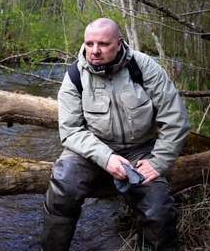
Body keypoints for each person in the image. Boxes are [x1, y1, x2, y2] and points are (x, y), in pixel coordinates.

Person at [38, 18, 191, 251]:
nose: (94, 51)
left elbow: (175, 119)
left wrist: (159, 161)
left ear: (119, 43)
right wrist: (106, 158)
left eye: (103, 43)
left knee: (159, 210)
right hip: (90, 150)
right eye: (89, 44)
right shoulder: (75, 76)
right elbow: (70, 130)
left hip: (141, 149)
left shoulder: (143, 67)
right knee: (62, 188)